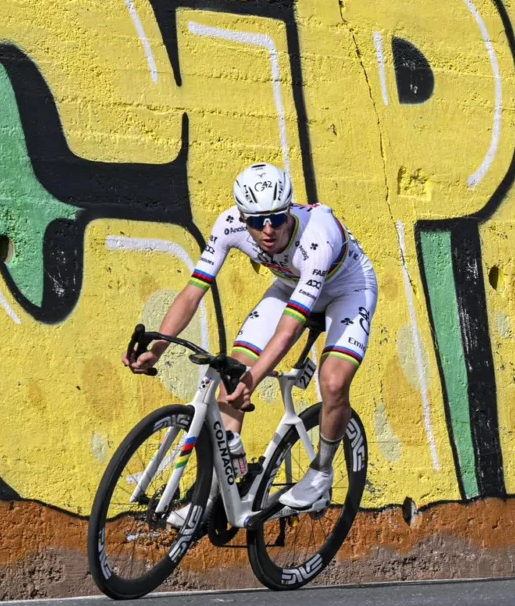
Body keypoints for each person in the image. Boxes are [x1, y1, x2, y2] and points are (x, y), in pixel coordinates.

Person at [124, 163, 377, 512]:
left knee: (332, 382)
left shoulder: (316, 238)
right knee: (233, 369)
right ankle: (215, 491)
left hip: (348, 288)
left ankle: (320, 473)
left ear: (289, 210)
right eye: (257, 221)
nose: (268, 229)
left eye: (277, 218)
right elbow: (192, 293)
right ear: (243, 218)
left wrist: (253, 381)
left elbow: (289, 329)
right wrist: (157, 348)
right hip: (291, 285)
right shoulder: (229, 224)